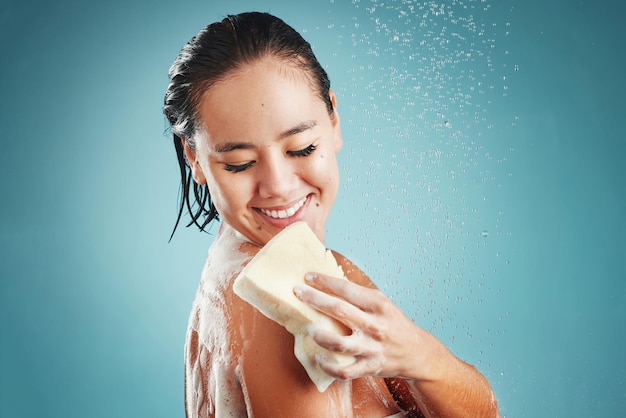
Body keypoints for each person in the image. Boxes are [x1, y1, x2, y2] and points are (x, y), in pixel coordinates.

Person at [163, 11, 499, 418]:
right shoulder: (287, 305)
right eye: (240, 162)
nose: (280, 186)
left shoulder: (230, 270)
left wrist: (417, 355)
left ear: (333, 117)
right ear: (194, 157)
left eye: (302, 147)